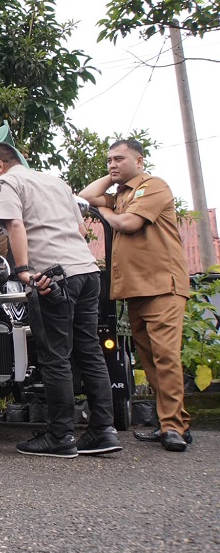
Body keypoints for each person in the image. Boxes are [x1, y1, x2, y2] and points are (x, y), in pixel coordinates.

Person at [0, 142, 121, 458]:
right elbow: (81, 229)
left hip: (53, 276)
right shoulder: (55, 181)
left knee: (55, 356)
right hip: (87, 271)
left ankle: (60, 436)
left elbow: (14, 224)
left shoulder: (6, 182)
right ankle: (103, 430)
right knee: (89, 351)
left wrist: (23, 269)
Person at [79, 139, 193, 452]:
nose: (112, 164)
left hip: (162, 286)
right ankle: (174, 423)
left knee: (165, 357)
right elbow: (85, 197)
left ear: (139, 161)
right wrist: (111, 182)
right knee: (151, 360)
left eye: (119, 159)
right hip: (136, 290)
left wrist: (105, 210)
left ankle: (172, 427)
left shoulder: (153, 186)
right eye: (109, 160)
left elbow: (129, 223)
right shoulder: (120, 194)